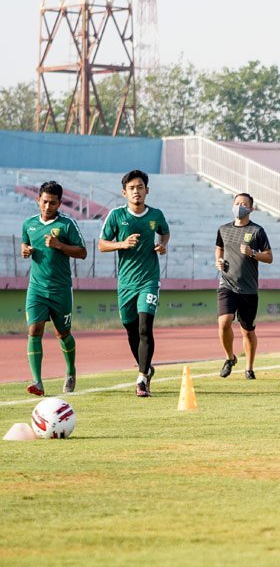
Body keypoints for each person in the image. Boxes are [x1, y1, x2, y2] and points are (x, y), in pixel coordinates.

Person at [99, 169, 170, 397]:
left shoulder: (155, 215)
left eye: (140, 187)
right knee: (130, 329)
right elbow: (102, 244)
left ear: (146, 191)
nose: (136, 191)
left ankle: (141, 379)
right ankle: (146, 368)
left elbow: (165, 233)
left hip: (149, 280)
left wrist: (161, 245)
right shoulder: (116, 216)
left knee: (144, 327)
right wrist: (122, 244)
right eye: (131, 188)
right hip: (126, 283)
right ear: (124, 192)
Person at [20, 181, 87, 396]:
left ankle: (70, 371)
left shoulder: (67, 225)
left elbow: (82, 252)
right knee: (34, 330)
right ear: (38, 199)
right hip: (37, 288)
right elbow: (25, 243)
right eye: (45, 201)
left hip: (60, 289)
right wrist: (25, 249)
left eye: (53, 203)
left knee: (62, 333)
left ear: (59, 203)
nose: (48, 206)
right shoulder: (28, 224)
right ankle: (37, 382)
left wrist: (59, 246)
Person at [216, 193, 272, 380]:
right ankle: (229, 357)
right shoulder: (223, 229)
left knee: (247, 331)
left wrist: (253, 253)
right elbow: (219, 247)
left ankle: (249, 368)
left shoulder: (257, 231)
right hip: (227, 284)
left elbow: (269, 257)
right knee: (224, 322)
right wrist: (218, 260)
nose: (240, 206)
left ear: (251, 209)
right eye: (237, 203)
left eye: (244, 204)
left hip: (248, 289)